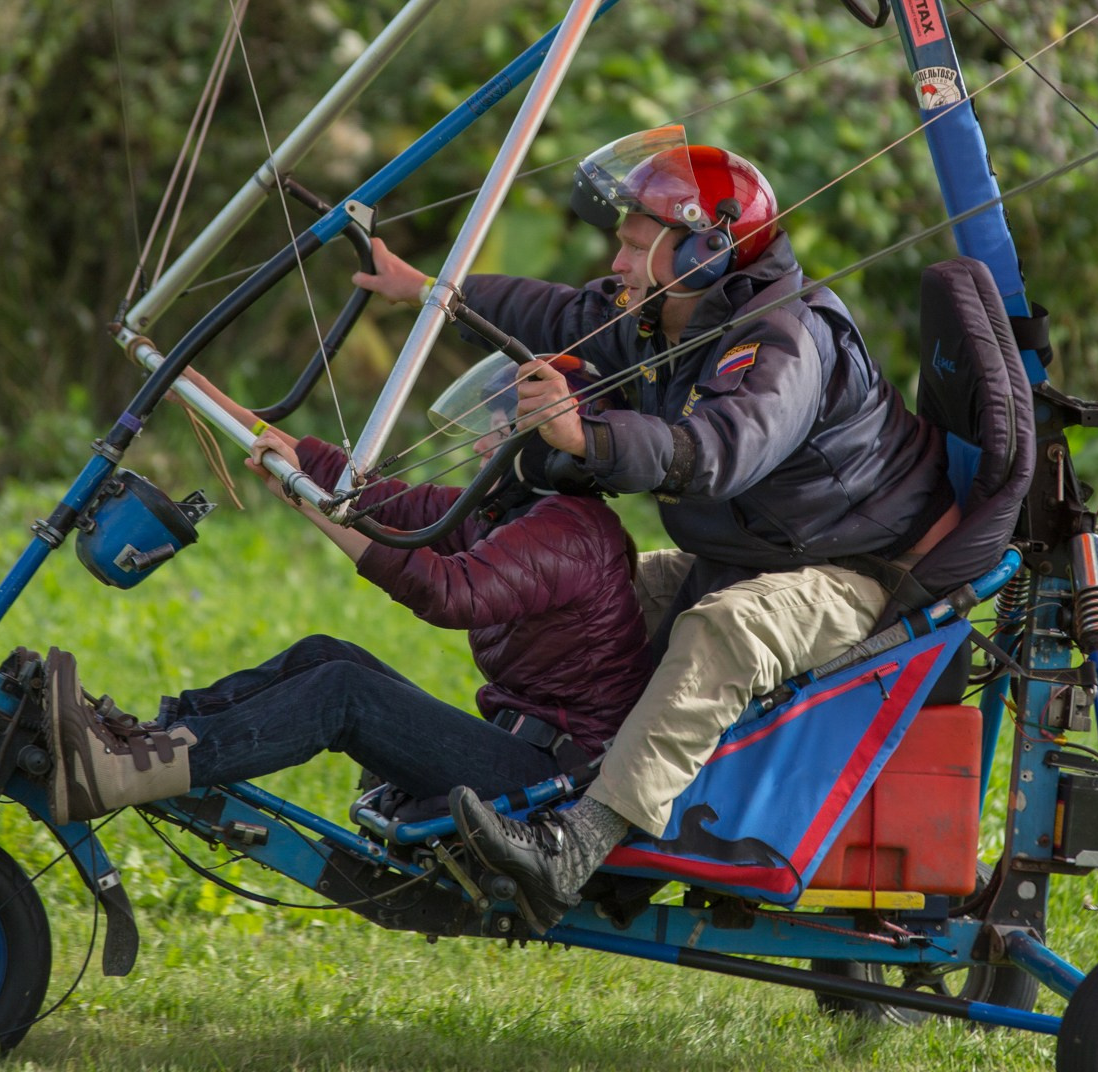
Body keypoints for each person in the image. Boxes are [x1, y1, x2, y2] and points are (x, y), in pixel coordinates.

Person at [349, 127, 960, 930]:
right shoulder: (661, 311)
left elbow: (718, 454)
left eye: (636, 247)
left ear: (704, 254)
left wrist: (586, 439)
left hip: (859, 571)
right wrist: (433, 289)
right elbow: (558, 314)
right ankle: (518, 783)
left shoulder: (784, 338)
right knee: (602, 598)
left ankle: (582, 843)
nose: (617, 263)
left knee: (722, 631)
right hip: (749, 553)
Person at [44, 354, 652, 826]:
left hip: (553, 782)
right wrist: (193, 384)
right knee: (324, 655)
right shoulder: (507, 509)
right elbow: (384, 499)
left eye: (499, 430)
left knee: (343, 692)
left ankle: (122, 773)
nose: (480, 443)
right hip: (516, 746)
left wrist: (319, 513)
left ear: (548, 450)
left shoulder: (571, 531)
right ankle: (150, 739)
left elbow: (449, 593)